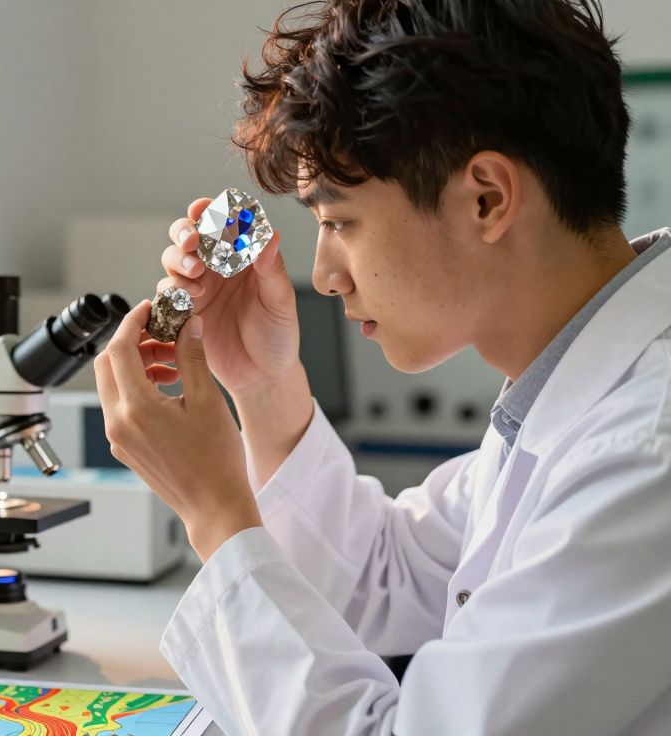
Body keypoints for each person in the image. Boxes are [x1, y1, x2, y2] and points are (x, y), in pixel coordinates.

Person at [93, 0, 671, 733]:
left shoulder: (644, 453)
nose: (324, 275)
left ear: (487, 199)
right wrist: (262, 384)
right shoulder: (573, 393)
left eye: (339, 221)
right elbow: (383, 575)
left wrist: (214, 511)